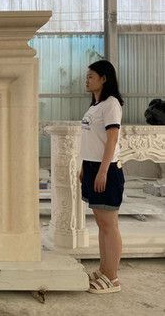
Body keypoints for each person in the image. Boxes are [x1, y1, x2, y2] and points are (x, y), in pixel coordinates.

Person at [79, 60, 125, 294]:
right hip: (92, 167)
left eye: (91, 76)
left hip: (106, 170)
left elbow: (112, 140)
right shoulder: (94, 106)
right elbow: (91, 141)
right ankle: (104, 269)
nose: (86, 80)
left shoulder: (111, 104)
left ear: (104, 78)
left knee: (109, 224)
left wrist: (103, 170)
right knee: (101, 223)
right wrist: (84, 167)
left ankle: (113, 278)